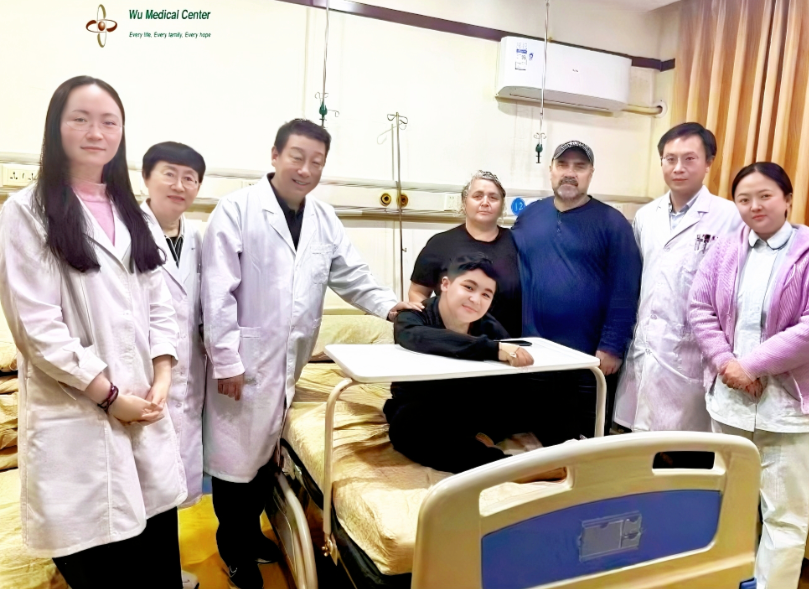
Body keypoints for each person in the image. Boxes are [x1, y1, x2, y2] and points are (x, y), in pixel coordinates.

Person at [202, 118, 419, 589]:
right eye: (297, 157)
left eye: (316, 162)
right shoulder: (237, 209)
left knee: (263, 462)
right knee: (235, 468)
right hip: (243, 361)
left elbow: (352, 274)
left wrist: (389, 306)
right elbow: (217, 293)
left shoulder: (323, 218)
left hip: (288, 363)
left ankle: (251, 536)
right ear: (275, 155)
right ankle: (234, 551)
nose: (305, 169)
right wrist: (226, 360)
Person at [0, 76, 185, 588]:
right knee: (104, 569)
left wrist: (163, 374)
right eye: (79, 119)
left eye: (109, 122)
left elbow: (160, 304)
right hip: (77, 415)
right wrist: (109, 397)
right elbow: (37, 328)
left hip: (144, 409)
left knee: (157, 564)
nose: (95, 132)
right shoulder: (25, 213)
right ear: (55, 127)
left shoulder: (135, 214)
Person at [689, 163, 809, 589]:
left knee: (784, 515)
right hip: (731, 402)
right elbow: (700, 308)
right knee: (732, 503)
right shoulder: (725, 248)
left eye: (765, 196)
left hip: (790, 407)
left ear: (787, 199)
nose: (754, 206)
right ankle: (732, 579)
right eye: (744, 199)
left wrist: (750, 366)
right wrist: (727, 363)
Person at [614, 123, 742, 433]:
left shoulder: (731, 218)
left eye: (689, 159)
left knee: (685, 445)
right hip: (646, 347)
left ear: (709, 162)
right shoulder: (646, 216)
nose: (678, 168)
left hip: (694, 354)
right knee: (637, 441)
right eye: (670, 159)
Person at [512, 140, 641, 438]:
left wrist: (611, 346)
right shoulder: (530, 217)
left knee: (584, 443)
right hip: (535, 356)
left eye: (579, 166)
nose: (570, 173)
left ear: (590, 173)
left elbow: (625, 290)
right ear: (551, 170)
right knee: (536, 439)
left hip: (588, 360)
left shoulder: (613, 224)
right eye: (563, 165)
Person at [386, 254, 537, 473]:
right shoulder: (414, 315)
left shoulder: (489, 327)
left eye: (486, 294)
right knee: (407, 428)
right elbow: (414, 336)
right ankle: (510, 469)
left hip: (471, 406)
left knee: (535, 396)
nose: (476, 299)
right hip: (422, 405)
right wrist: (493, 350)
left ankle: (565, 452)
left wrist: (490, 432)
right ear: (446, 284)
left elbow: (510, 387)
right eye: (468, 287)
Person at [141, 141, 207, 589]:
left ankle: (162, 569)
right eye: (169, 173)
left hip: (189, 375)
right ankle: (150, 573)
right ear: (146, 178)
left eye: (190, 178)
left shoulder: (199, 237)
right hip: (143, 372)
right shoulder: (125, 232)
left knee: (169, 482)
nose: (179, 185)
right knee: (143, 481)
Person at [409, 170, 521, 336]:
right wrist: (433, 328)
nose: (485, 202)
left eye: (493, 197)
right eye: (477, 196)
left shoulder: (518, 243)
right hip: (454, 342)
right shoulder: (440, 244)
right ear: (464, 202)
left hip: (507, 342)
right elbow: (417, 291)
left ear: (501, 206)